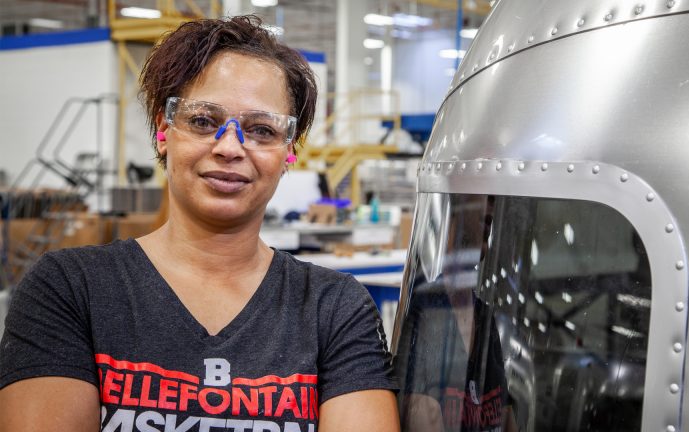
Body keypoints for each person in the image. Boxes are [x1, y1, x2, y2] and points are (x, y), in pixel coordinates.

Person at [0, 15, 399, 432]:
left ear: (289, 152)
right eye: (203, 121)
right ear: (164, 130)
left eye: (262, 130)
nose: (230, 147)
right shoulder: (70, 289)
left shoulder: (335, 308)